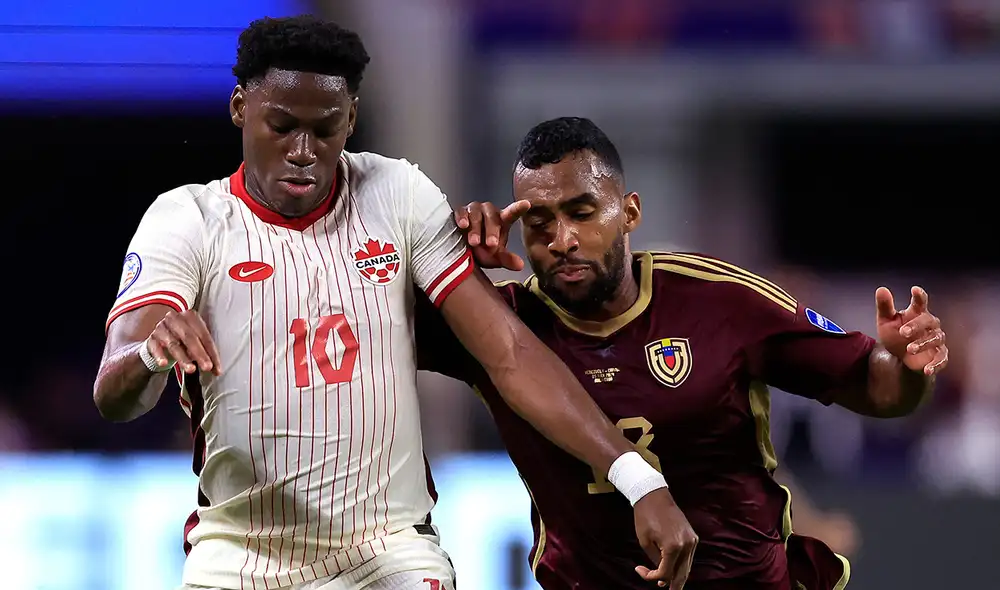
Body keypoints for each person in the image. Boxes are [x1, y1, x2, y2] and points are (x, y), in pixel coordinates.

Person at [92, 19, 696, 590]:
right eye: (281, 126)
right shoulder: (187, 220)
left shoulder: (398, 194)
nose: (303, 149)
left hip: (388, 552)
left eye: (324, 128)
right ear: (239, 109)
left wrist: (638, 479)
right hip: (240, 554)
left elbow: (508, 352)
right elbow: (115, 397)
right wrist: (150, 353)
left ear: (351, 119)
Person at [415, 116, 948, 590]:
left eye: (582, 213)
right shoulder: (497, 327)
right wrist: (450, 259)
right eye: (540, 224)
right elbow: (368, 321)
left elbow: (878, 389)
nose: (562, 240)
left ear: (629, 212)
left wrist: (906, 364)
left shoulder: (719, 299)